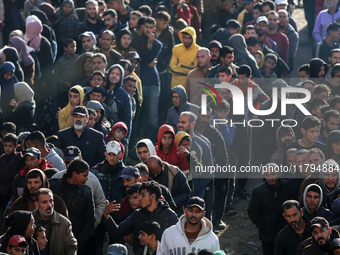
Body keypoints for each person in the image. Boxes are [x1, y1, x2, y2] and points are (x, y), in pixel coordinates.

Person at [103, 181, 178, 252]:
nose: (140, 198)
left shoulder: (170, 215)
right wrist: (106, 216)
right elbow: (118, 232)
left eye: (143, 195)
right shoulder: (137, 214)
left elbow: (179, 238)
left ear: (153, 196)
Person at [50, 159, 95, 255]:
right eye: (84, 175)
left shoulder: (86, 193)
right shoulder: (53, 187)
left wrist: (78, 243)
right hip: (52, 240)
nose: (87, 179)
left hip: (75, 242)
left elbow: (89, 221)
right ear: (74, 174)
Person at [130, 17, 162, 143]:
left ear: (154, 29)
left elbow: (148, 59)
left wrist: (149, 45)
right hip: (138, 81)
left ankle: (152, 140)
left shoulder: (157, 44)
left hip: (153, 82)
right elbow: (140, 60)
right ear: (142, 27)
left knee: (152, 115)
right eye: (146, 27)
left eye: (151, 27)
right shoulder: (136, 41)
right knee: (139, 112)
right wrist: (145, 61)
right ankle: (137, 140)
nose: (148, 29)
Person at [248, 163, 287, 255]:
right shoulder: (258, 191)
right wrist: (263, 226)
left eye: (273, 174)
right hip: (267, 235)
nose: (270, 178)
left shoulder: (287, 187)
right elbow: (252, 211)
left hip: (286, 232)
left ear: (279, 173)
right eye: (267, 175)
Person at [32, 188, 77, 255]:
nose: (49, 205)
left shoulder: (64, 223)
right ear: (37, 204)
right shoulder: (29, 220)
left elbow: (71, 246)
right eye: (44, 202)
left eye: (51, 201)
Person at [91, 141, 125, 222]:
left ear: (120, 155)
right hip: (99, 212)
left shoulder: (124, 172)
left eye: (114, 154)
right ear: (105, 154)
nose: (112, 158)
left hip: (118, 214)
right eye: (109, 154)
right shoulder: (96, 171)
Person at [104, 64, 132, 139]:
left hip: (117, 134)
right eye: (112, 73)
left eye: (117, 74)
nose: (114, 76)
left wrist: (125, 139)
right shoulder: (102, 90)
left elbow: (127, 119)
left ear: (121, 77)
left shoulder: (124, 95)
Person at [0, 133, 23, 213]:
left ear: (16, 146)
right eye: (5, 145)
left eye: (10, 146)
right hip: (2, 192)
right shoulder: (1, 159)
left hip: (14, 192)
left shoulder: (20, 159)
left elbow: (18, 176)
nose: (7, 148)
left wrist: (7, 188)